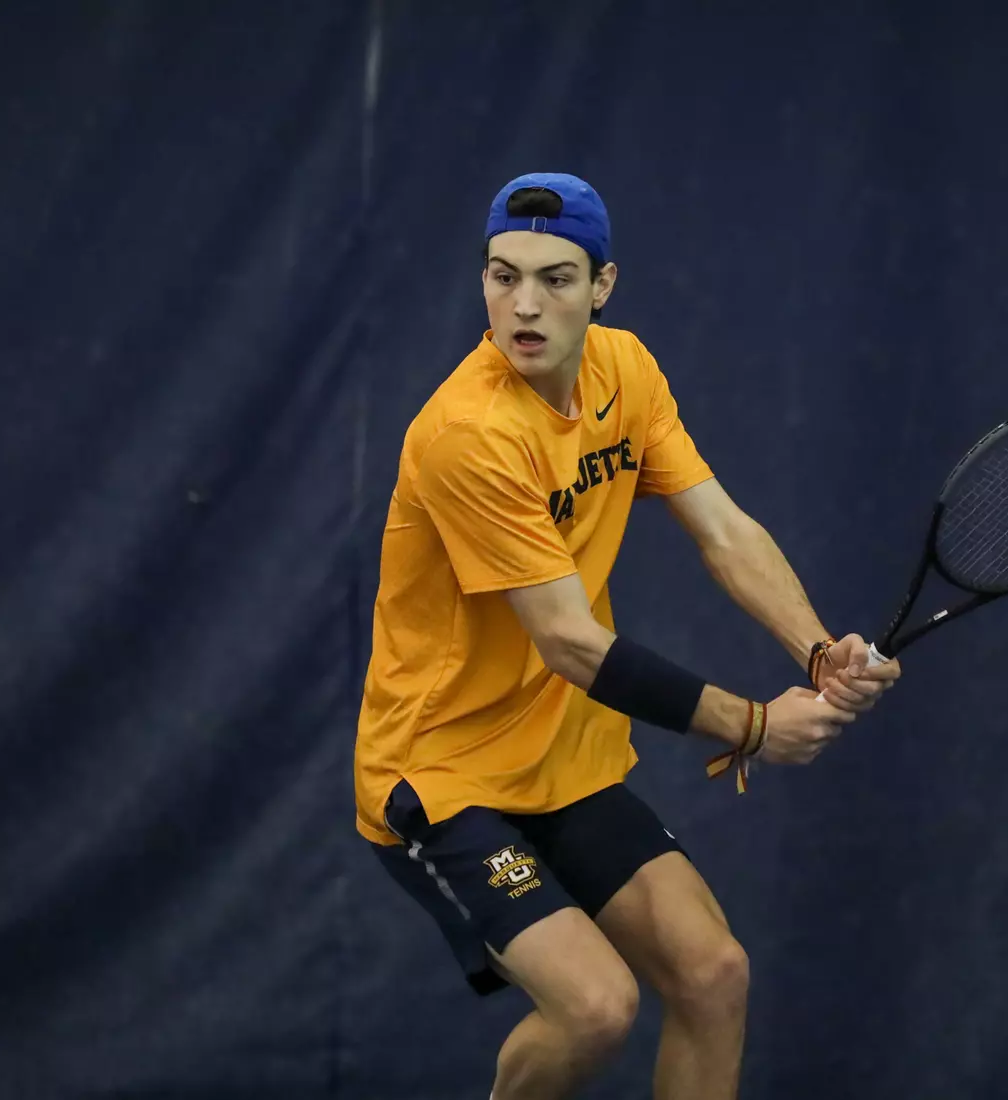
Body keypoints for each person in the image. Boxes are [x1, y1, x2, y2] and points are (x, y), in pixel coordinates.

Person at [353, 171, 902, 1100]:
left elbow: (723, 531)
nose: (523, 305)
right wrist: (751, 726)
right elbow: (568, 640)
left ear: (603, 287)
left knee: (713, 975)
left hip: (565, 759)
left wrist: (816, 650)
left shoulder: (628, 371)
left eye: (556, 279)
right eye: (502, 275)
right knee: (594, 1006)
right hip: (442, 775)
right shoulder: (468, 433)